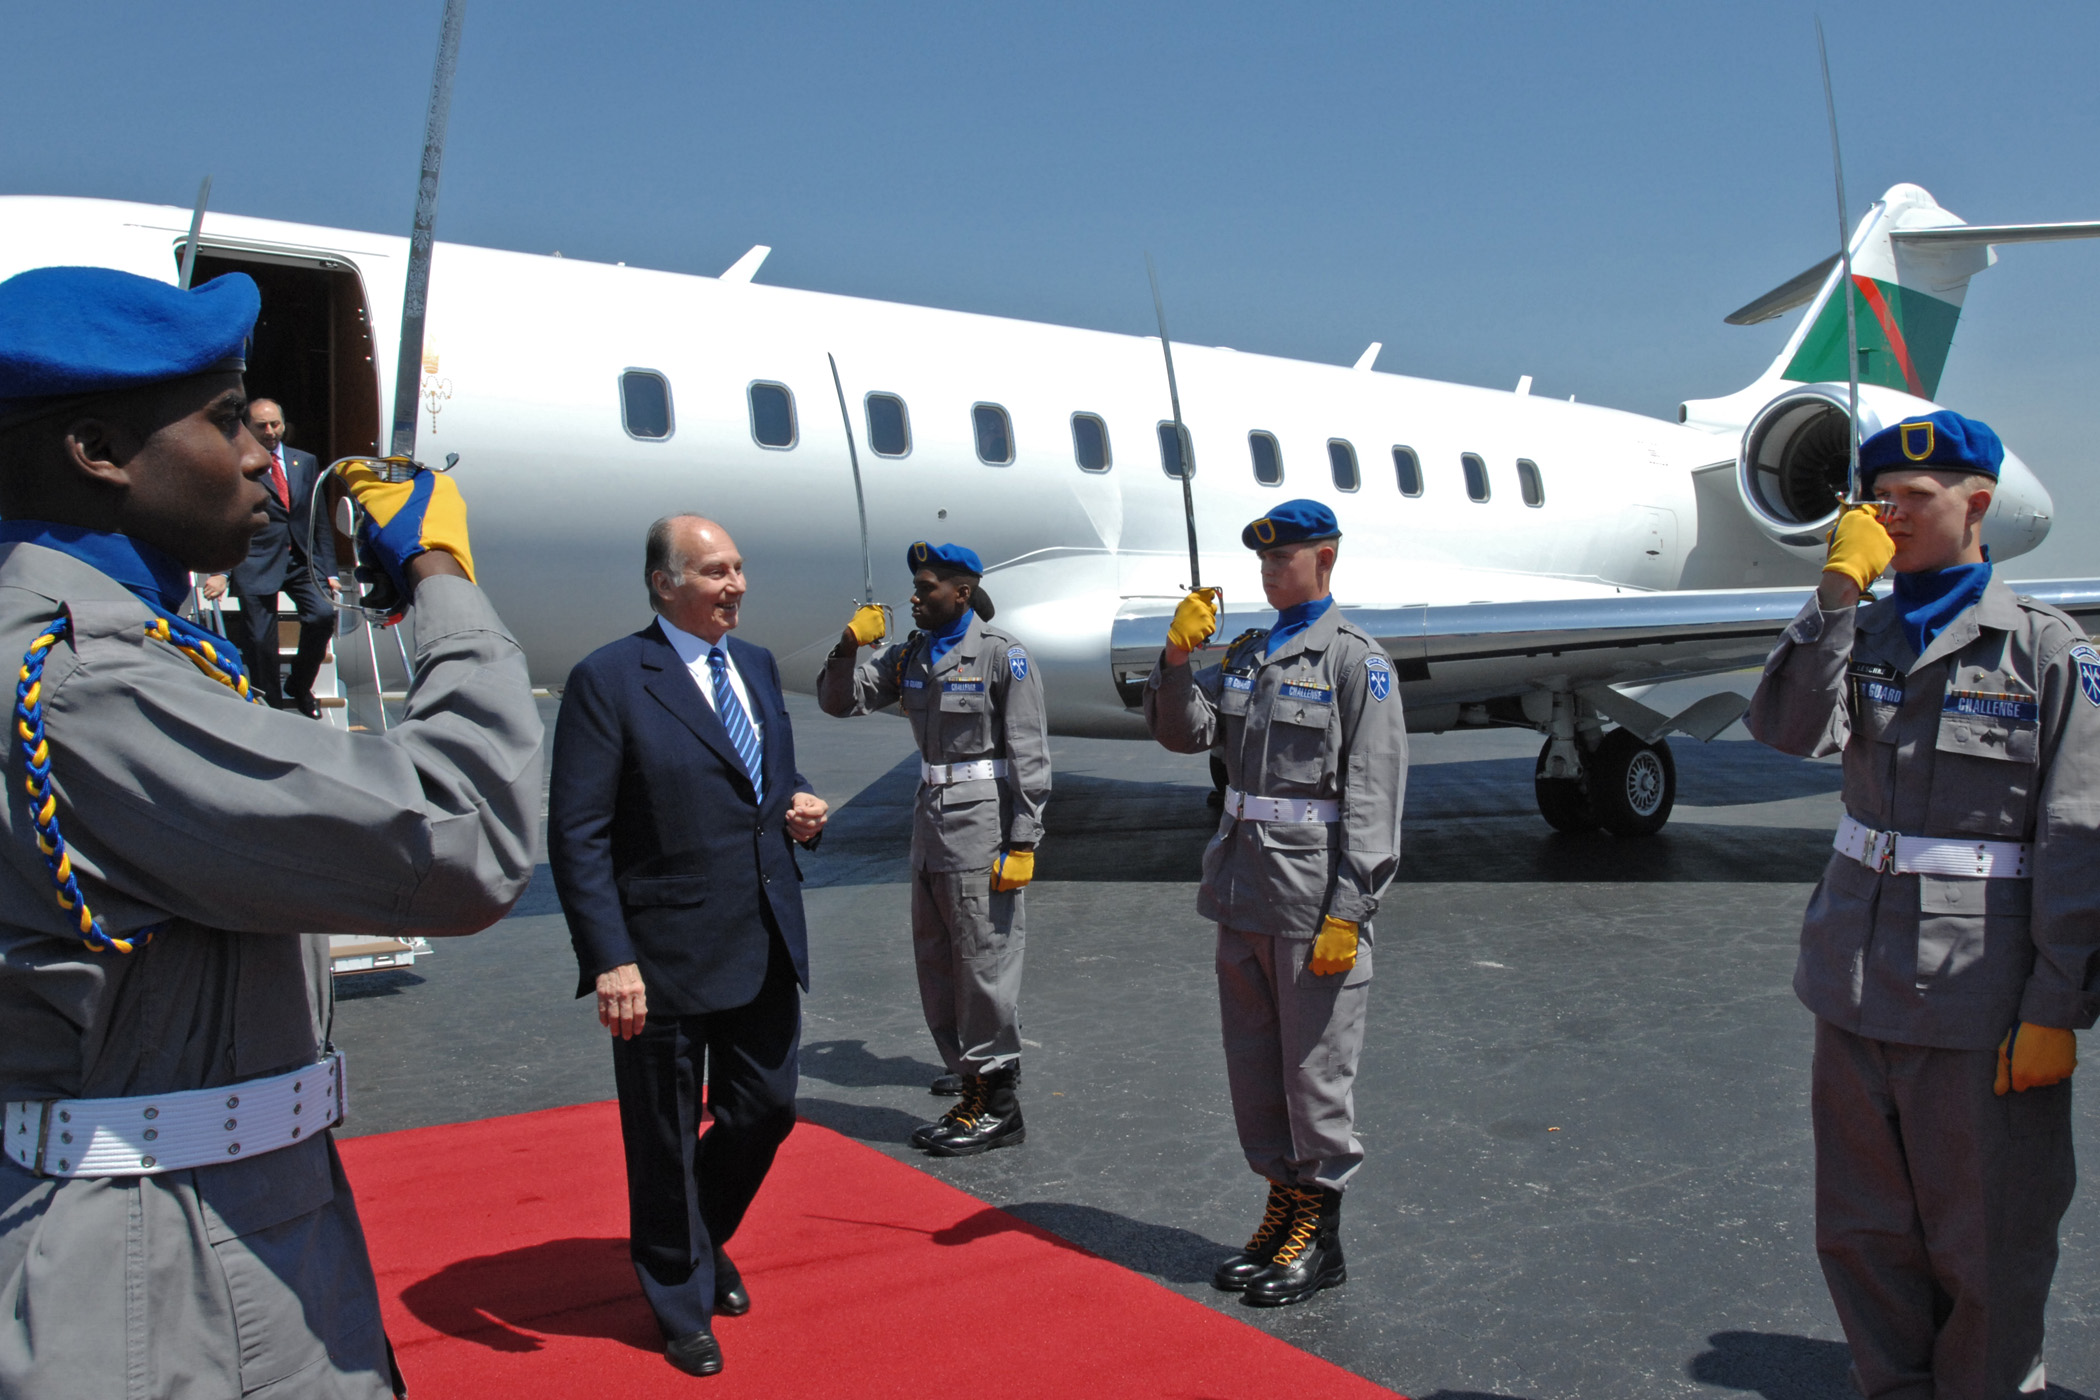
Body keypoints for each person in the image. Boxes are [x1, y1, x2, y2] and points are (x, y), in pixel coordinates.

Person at [0, 265, 542, 1398]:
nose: (261, 455)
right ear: (96, 450)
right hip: (173, 1279)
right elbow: (465, 835)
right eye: (220, 421)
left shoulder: (112, 645)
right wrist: (442, 575)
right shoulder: (89, 682)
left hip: (196, 1221)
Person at [1747, 410, 2100, 1400]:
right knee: (1864, 1231)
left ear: (1977, 504)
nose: (1888, 513)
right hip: (1853, 983)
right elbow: (1781, 726)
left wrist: (2056, 1006)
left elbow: (2080, 835)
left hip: (1979, 998)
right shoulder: (1860, 626)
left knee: (1987, 1235)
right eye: (1877, 499)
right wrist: (1834, 587)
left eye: (1914, 497)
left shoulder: (2046, 651)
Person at [548, 514, 829, 1379]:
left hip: (762, 936)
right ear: (665, 583)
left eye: (739, 568)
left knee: (765, 1111)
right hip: (658, 954)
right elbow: (579, 833)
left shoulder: (752, 667)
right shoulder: (609, 679)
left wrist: (802, 805)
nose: (735, 585)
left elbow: (759, 781)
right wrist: (609, 957)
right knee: (664, 1136)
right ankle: (677, 1296)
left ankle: (700, 1239)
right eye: (714, 572)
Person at [1144, 499, 1405, 1308]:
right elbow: (1184, 734)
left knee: (1314, 1072)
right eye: (1262, 560)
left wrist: (1349, 910)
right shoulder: (1250, 654)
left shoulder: (1355, 662)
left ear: (1323, 559)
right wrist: (1178, 657)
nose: (1268, 571)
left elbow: (1374, 795)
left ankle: (1320, 1238)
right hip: (1242, 886)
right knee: (1255, 1068)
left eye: (1282, 559)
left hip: (1310, 896)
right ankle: (1281, 1206)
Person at [817, 542, 1050, 1155]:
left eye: (926, 588)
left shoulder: (1003, 657)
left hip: (983, 825)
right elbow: (841, 701)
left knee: (982, 961)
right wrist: (848, 646)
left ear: (962, 593)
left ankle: (999, 1104)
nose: (914, 599)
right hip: (929, 822)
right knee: (937, 962)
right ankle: (971, 1084)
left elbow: (1028, 751)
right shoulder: (910, 655)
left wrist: (1024, 838)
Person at [200, 397, 337, 715]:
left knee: (322, 616)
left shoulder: (305, 462)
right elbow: (227, 518)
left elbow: (317, 520)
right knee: (261, 642)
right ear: (247, 427)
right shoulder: (237, 464)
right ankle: (271, 707)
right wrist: (222, 571)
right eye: (261, 426)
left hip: (300, 560)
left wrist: (328, 568)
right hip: (255, 559)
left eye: (275, 424)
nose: (271, 431)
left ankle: (299, 686)